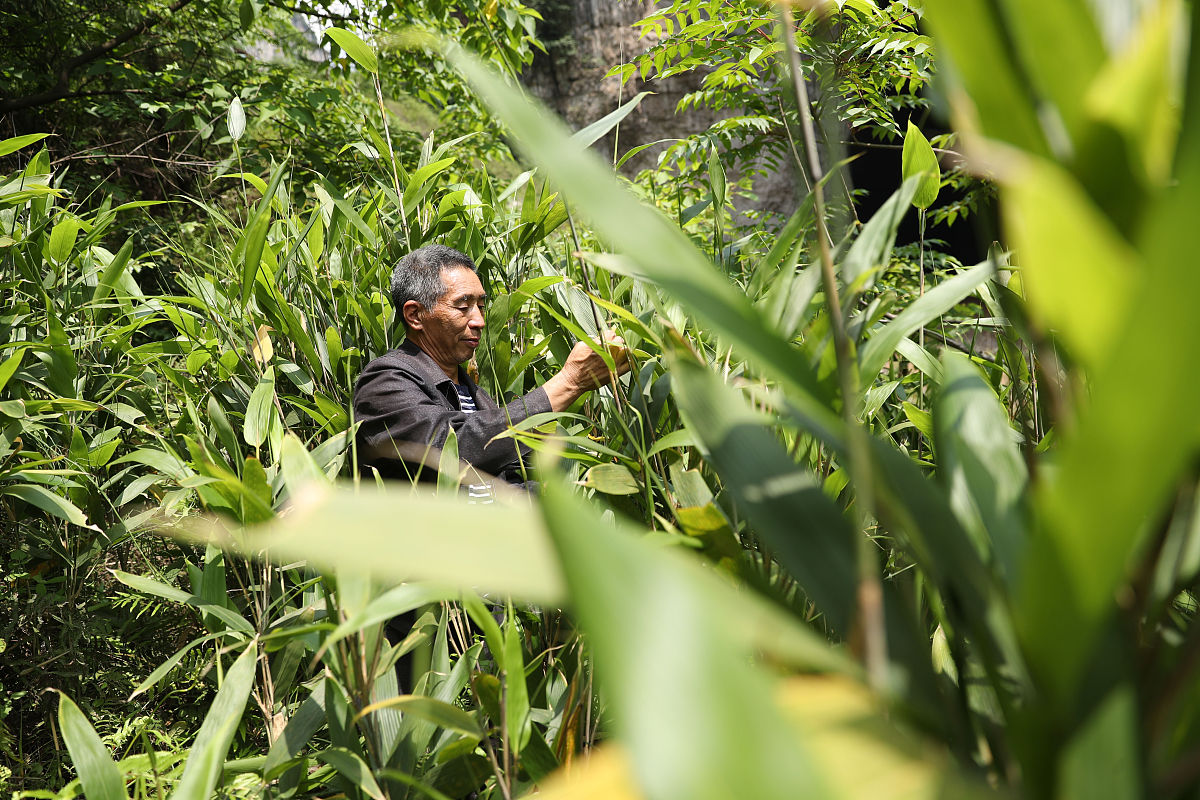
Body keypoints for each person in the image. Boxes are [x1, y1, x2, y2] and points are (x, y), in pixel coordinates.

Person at [353, 243, 629, 490]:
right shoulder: (385, 382)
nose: (479, 321)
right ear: (415, 315)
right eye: (463, 307)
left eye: (481, 306)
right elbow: (447, 449)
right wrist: (570, 382)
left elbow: (509, 471)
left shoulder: (477, 396)